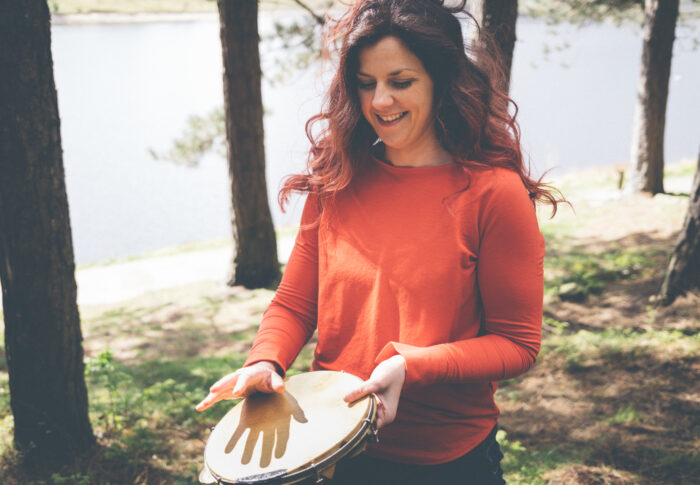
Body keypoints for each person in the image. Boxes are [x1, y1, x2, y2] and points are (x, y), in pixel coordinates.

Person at [197, 0, 560, 483]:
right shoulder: (338, 179)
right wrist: (266, 359)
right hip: (335, 447)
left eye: (400, 82)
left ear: (443, 80)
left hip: (448, 461)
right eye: (366, 84)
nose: (380, 101)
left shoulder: (493, 193)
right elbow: (295, 303)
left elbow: (517, 344)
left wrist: (412, 365)